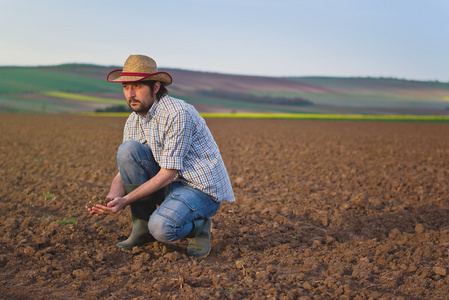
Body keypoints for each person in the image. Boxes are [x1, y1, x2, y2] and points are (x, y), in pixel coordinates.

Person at [86, 55, 235, 258]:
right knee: (127, 149)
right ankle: (141, 228)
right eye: (125, 87)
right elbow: (127, 167)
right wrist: (111, 198)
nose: (130, 94)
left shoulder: (177, 113)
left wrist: (126, 200)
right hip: (171, 184)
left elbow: (167, 174)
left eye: (137, 86)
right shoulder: (133, 120)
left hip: (200, 188)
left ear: (155, 87)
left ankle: (199, 227)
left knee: (162, 228)